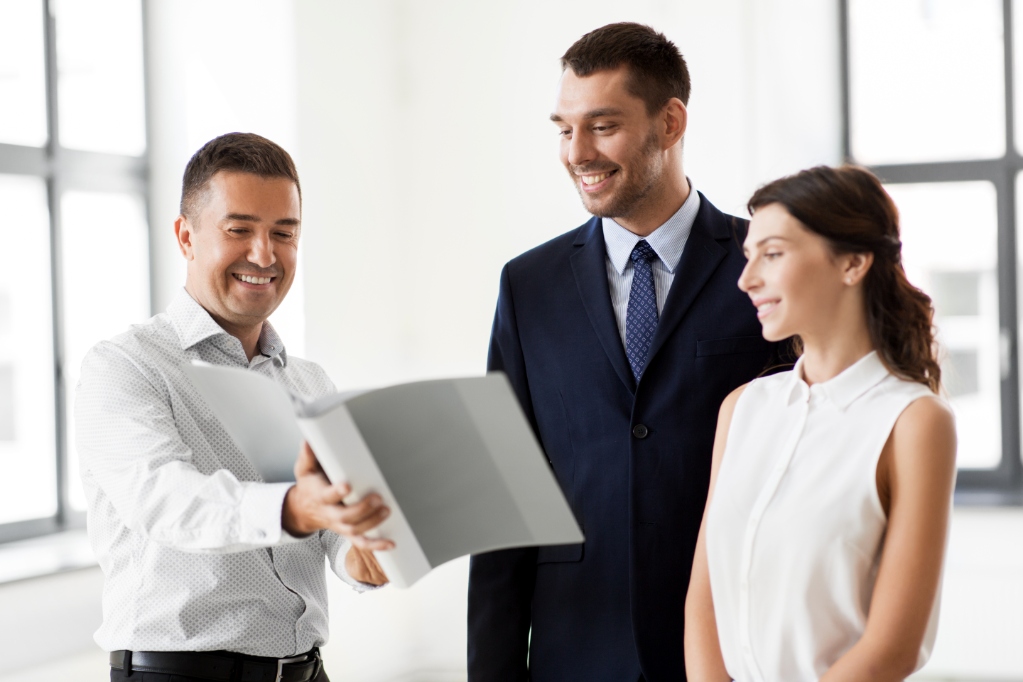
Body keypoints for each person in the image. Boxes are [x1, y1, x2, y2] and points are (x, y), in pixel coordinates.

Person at [467, 23, 776, 681]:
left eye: (602, 126)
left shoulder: (763, 268)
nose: (576, 151)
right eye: (563, 128)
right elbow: (505, 490)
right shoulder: (528, 285)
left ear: (669, 123)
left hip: (733, 646)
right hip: (573, 647)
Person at [76, 133, 394, 682]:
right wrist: (293, 508)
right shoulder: (125, 367)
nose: (264, 255)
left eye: (283, 233)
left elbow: (329, 527)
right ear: (186, 236)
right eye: (239, 230)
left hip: (307, 671)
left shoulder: (310, 382)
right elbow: (165, 500)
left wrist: (361, 554)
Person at [684, 165, 957, 681]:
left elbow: (892, 648)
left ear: (852, 262)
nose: (747, 280)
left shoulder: (915, 422)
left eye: (773, 254)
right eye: (748, 256)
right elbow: (704, 599)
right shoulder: (741, 408)